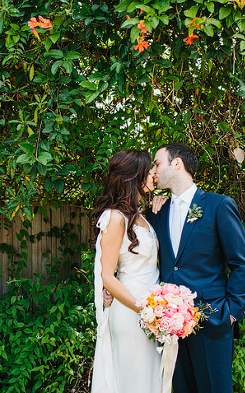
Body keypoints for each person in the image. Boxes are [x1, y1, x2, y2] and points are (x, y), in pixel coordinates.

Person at [145, 143, 245, 393]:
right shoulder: (157, 213)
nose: (154, 170)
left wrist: (232, 313)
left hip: (212, 323)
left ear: (177, 164)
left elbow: (241, 263)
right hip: (172, 329)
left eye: (158, 163)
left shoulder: (218, 206)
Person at [90, 149, 163, 393]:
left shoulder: (139, 215)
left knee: (150, 380)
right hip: (132, 310)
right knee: (135, 382)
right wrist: (143, 309)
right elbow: (107, 276)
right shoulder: (114, 217)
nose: (154, 173)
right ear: (134, 177)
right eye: (149, 170)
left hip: (151, 310)